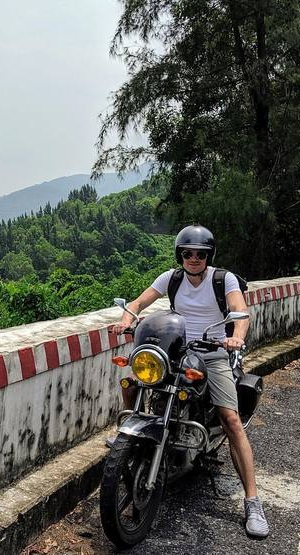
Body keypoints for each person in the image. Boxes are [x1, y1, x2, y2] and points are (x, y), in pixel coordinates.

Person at [110, 224, 269, 539]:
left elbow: (240, 310)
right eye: (187, 253)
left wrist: (236, 338)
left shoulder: (224, 279)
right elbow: (141, 302)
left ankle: (252, 501)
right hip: (175, 350)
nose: (193, 259)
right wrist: (128, 317)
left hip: (212, 353)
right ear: (180, 255)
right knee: (135, 380)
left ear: (208, 255)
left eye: (199, 254)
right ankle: (135, 441)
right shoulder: (171, 278)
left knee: (230, 419)